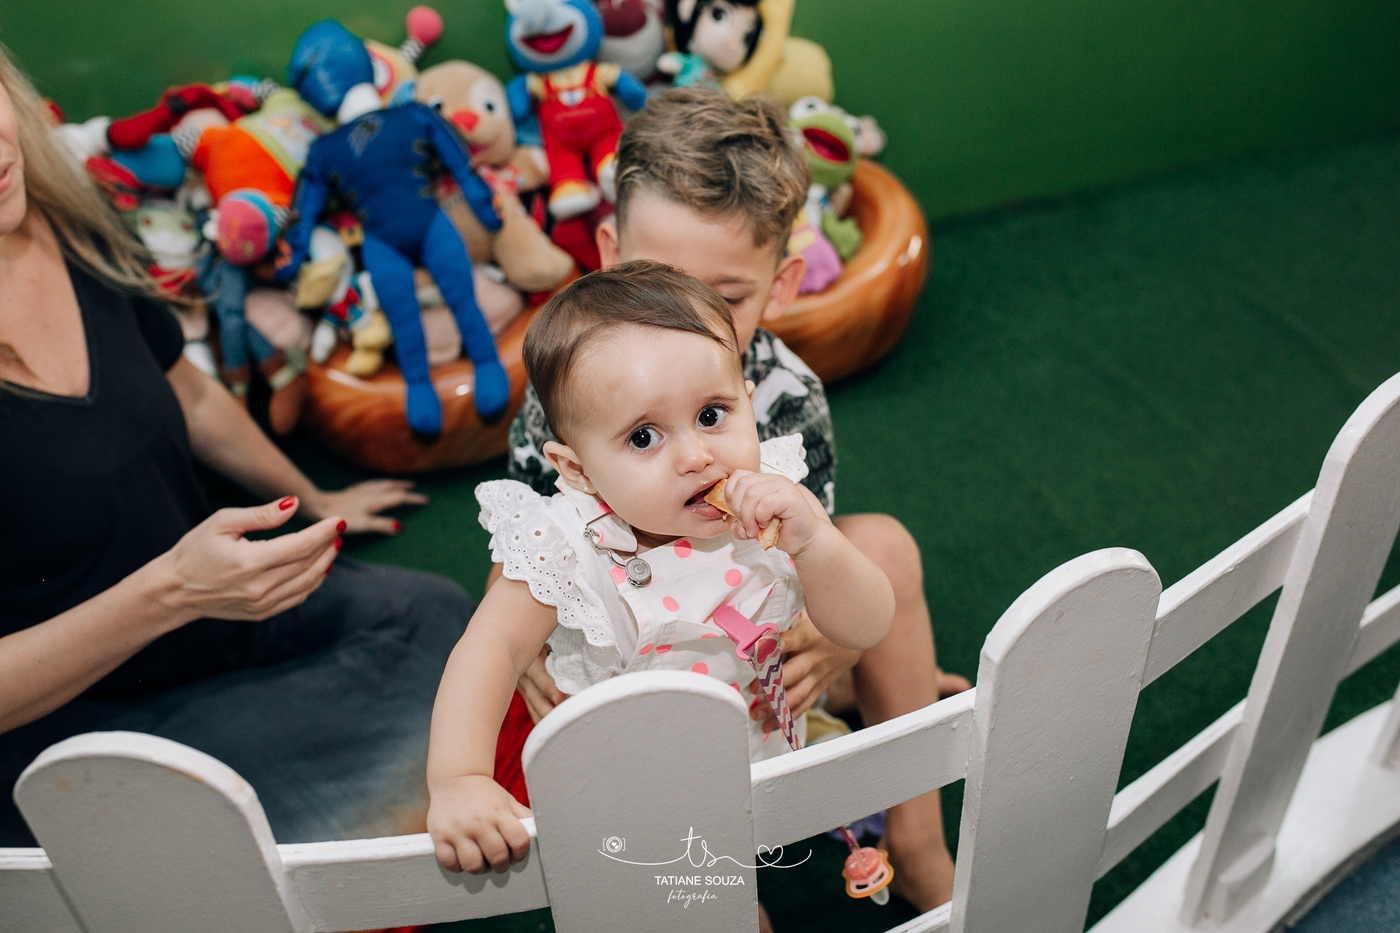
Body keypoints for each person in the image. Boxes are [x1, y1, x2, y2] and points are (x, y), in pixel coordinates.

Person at [504, 86, 968, 909]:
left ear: (781, 286)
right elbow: (523, 551)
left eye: (724, 299)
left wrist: (835, 639)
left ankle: (917, 835)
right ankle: (717, 887)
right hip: (637, 665)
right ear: (609, 254)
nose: (686, 324)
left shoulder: (785, 390)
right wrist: (528, 651)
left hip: (758, 640)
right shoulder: (562, 405)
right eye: (656, 281)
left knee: (884, 550)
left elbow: (809, 551)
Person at [0, 44, 472, 847]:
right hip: (76, 712)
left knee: (436, 618)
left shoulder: (67, 216)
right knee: (276, 800)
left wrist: (313, 498)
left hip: (209, 618)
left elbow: (184, 390)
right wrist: (171, 592)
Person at [426, 261, 894, 874]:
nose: (697, 456)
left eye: (712, 415)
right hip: (633, 795)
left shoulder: (777, 500)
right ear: (578, 471)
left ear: (749, 403)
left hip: (759, 752)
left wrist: (817, 544)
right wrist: (459, 777)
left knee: (740, 858)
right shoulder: (567, 547)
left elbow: (867, 626)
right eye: (644, 437)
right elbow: (489, 649)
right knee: (689, 893)